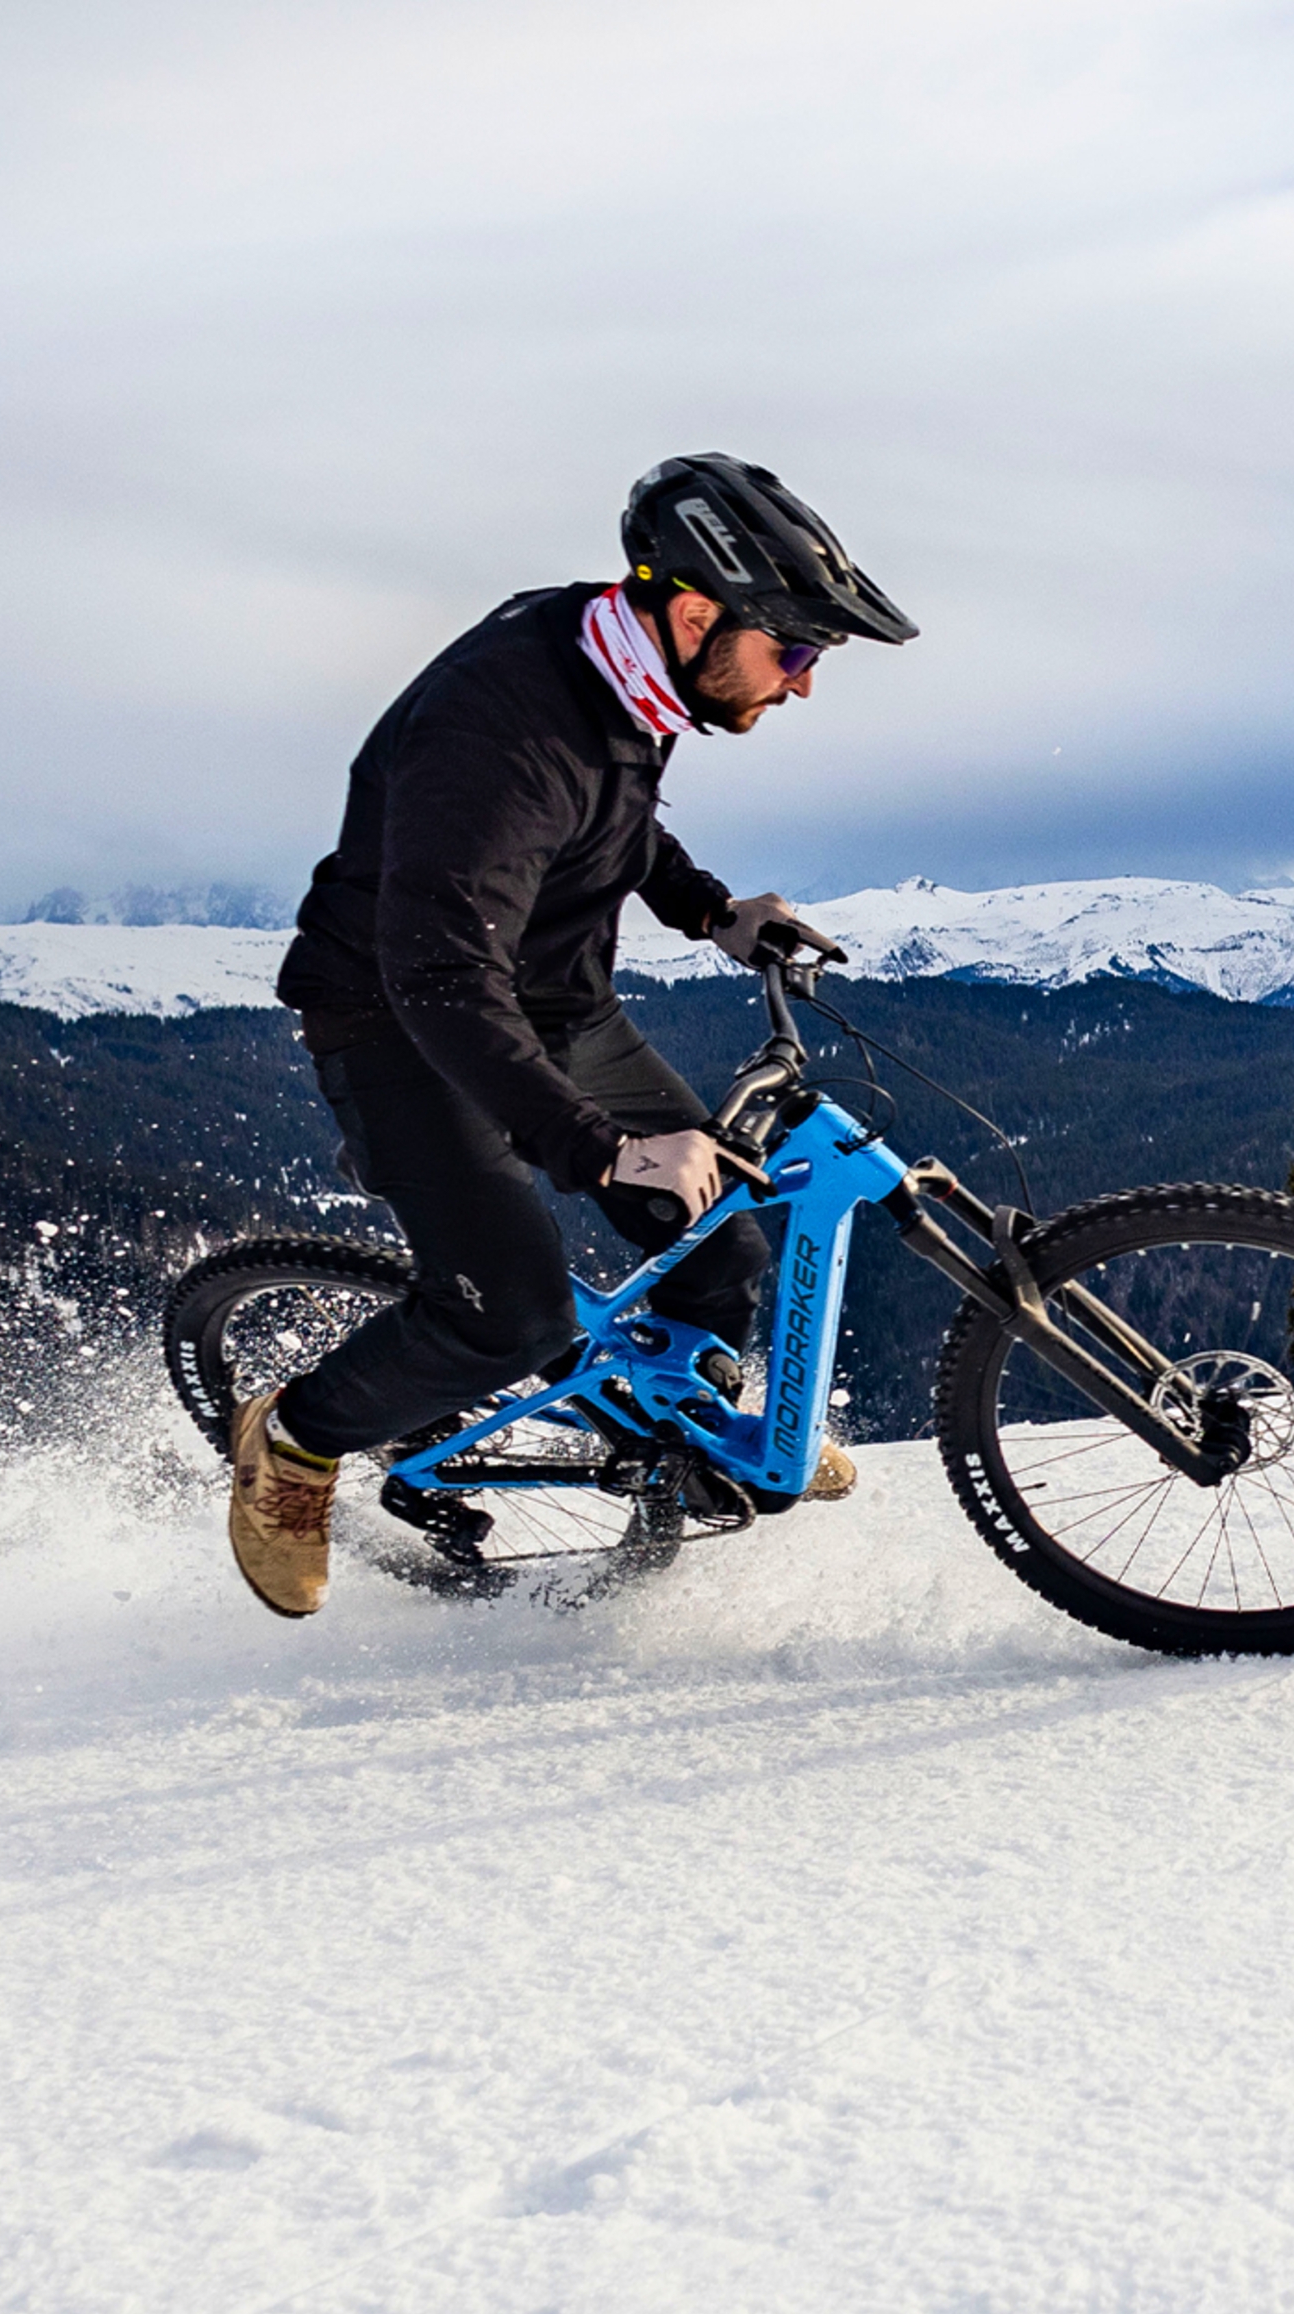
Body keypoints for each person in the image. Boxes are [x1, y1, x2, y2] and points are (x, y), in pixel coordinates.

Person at [229, 453, 918, 1616]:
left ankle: (680, 1432)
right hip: (405, 1023)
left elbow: (612, 822)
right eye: (792, 651)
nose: (800, 684)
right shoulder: (497, 732)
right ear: (698, 611)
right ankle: (292, 1441)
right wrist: (601, 1146)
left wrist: (709, 909)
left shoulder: (627, 666)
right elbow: (439, 974)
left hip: (554, 1004)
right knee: (510, 1314)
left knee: (723, 1244)